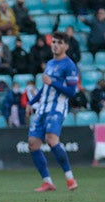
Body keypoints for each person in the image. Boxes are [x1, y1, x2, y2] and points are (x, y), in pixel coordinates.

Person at [29, 32, 80, 192]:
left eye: (59, 42)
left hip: (57, 108)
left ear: (66, 46)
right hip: (42, 107)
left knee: (51, 139)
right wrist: (31, 102)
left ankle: (70, 178)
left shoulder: (69, 65)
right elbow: (45, 88)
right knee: (33, 144)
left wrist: (53, 82)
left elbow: (72, 91)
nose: (55, 45)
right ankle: (47, 181)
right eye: (54, 42)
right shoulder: (50, 63)